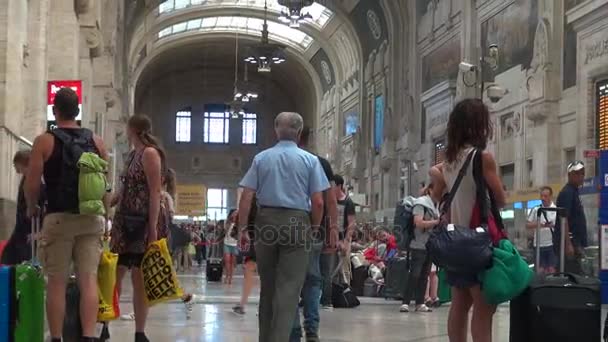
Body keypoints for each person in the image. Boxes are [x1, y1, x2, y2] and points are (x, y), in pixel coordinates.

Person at [25, 87, 109, 342]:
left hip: (59, 217)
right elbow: (104, 184)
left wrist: (31, 207)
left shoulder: (45, 141)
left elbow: (32, 182)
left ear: (55, 110)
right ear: (77, 111)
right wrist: (105, 217)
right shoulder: (97, 141)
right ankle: (88, 336)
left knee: (57, 282)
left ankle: (58, 337)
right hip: (91, 219)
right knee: (88, 280)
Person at [237, 112, 329, 342]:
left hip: (266, 220)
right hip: (298, 222)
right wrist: (314, 229)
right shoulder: (310, 160)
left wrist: (242, 230)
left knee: (268, 287)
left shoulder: (261, 159)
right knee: (288, 291)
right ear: (299, 133)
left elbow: (247, 197)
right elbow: (318, 201)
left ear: (275, 130)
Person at [429, 99, 506, 342]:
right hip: (478, 242)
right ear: (478, 125)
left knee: (459, 305)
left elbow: (436, 178)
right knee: (484, 308)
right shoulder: (482, 158)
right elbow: (500, 199)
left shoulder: (449, 162)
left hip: (455, 242)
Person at [110, 114, 164, 342]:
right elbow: (127, 186)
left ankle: (140, 331)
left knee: (139, 278)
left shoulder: (150, 153)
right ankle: (106, 322)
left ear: (132, 129)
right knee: (114, 273)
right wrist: (111, 200)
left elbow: (155, 191)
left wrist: (152, 227)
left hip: (141, 222)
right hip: (123, 220)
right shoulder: (132, 155)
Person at [291, 127, 339, 342]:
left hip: (285, 229)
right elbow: (327, 201)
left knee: (289, 281)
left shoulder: (279, 159)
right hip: (314, 229)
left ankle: (292, 332)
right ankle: (312, 330)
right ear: (308, 138)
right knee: (312, 280)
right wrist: (331, 230)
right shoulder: (320, 163)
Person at [400, 183, 439, 313]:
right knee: (415, 274)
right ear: (431, 189)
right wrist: (435, 222)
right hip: (418, 244)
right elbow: (418, 223)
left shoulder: (435, 205)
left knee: (424, 275)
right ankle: (405, 302)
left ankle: (420, 303)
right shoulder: (421, 203)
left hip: (430, 244)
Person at [2, 151, 39, 265]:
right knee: (9, 255)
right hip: (22, 226)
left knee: (17, 257)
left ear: (21, 163)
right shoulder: (26, 178)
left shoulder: (33, 179)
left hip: (29, 227)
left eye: (15, 164)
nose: (14, 167)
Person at [556, 161, 588, 274]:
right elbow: (564, 219)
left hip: (575, 243)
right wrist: (568, 244)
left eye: (582, 174)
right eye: (577, 174)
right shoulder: (567, 193)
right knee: (572, 277)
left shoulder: (575, 192)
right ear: (570, 175)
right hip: (569, 245)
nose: (581, 176)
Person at [232, 190, 259, 315]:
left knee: (249, 271)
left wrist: (242, 232)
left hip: (254, 238)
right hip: (268, 237)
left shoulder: (250, 198)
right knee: (267, 274)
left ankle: (242, 304)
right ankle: (265, 305)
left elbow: (242, 219)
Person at [525, 186, 557, 274]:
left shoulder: (556, 209)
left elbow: (560, 226)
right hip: (538, 245)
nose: (543, 198)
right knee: (540, 270)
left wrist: (552, 226)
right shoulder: (536, 209)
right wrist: (541, 224)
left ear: (550, 196)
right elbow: (527, 224)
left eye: (545, 196)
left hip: (551, 245)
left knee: (551, 270)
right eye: (542, 196)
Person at [333, 174, 356, 282]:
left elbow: (351, 223)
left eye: (333, 185)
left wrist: (346, 241)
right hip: (332, 238)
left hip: (343, 238)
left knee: (344, 268)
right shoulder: (330, 200)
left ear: (339, 186)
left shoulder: (348, 202)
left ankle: (346, 290)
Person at [222, 210, 239, 284]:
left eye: (236, 213)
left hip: (235, 244)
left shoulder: (239, 222)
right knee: (227, 261)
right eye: (234, 213)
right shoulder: (227, 222)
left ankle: (231, 277)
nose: (235, 214)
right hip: (227, 243)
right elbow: (225, 231)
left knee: (232, 262)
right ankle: (227, 276)